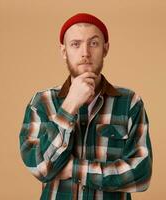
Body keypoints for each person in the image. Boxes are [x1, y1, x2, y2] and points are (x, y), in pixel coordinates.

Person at [19, 13, 153, 200]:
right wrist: (69, 106)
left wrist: (73, 168)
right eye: (75, 44)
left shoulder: (130, 102)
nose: (85, 53)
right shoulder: (42, 102)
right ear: (64, 51)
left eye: (93, 43)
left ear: (105, 49)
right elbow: (40, 167)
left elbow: (141, 175)